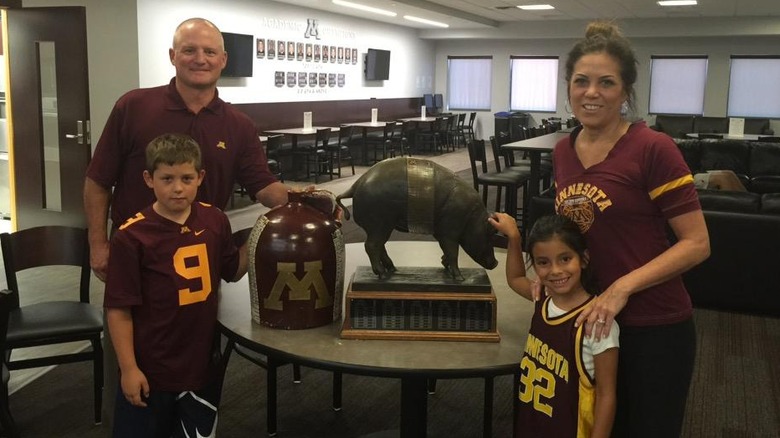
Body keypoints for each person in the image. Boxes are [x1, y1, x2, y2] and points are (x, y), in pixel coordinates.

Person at [83, 16, 289, 426]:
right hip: (135, 265)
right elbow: (97, 181)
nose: (200, 58)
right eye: (190, 50)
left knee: (193, 366)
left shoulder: (239, 125)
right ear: (173, 56)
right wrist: (98, 245)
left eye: (210, 51)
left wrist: (306, 202)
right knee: (131, 378)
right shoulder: (133, 106)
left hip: (198, 270)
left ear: (223, 60)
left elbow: (262, 184)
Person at [554, 21, 710, 437]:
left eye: (606, 82)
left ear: (624, 92)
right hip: (591, 321)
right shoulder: (563, 151)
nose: (591, 92)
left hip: (654, 324)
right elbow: (575, 234)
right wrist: (548, 271)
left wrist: (621, 288)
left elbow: (697, 244)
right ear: (568, 86)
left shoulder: (653, 148)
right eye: (581, 81)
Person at [105, 133, 247, 437]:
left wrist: (264, 231)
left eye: (186, 177)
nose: (178, 188)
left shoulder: (214, 220)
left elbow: (233, 271)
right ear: (148, 179)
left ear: (200, 177)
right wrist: (129, 368)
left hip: (201, 363)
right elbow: (119, 310)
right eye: (167, 178)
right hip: (152, 366)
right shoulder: (131, 237)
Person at [490, 213, 619, 438]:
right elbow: (515, 278)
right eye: (543, 262)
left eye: (565, 259)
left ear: (584, 259)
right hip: (533, 421)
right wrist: (514, 237)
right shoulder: (542, 298)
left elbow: (607, 395)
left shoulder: (596, 321)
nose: (556, 270)